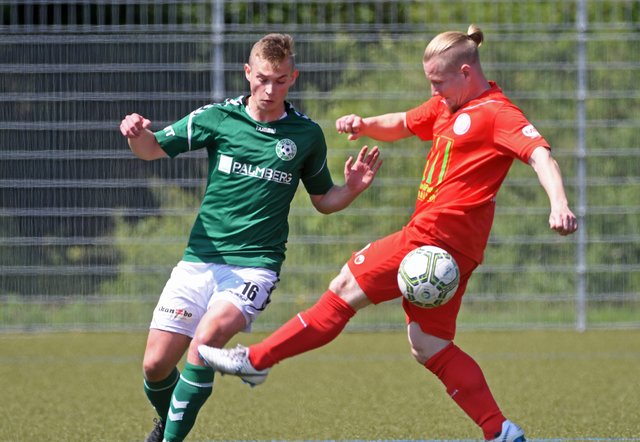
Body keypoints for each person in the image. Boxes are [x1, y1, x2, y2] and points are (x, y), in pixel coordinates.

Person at [198, 25, 578, 442]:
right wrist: (364, 125)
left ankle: (256, 359)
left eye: (438, 82)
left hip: (434, 237)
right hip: (455, 249)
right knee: (428, 343)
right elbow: (403, 122)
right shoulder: (448, 104)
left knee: (344, 288)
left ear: (466, 73)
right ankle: (499, 430)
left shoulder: (498, 112)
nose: (433, 91)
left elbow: (540, 155)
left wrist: (558, 204)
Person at [119, 33, 381, 442]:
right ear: (247, 73)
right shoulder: (218, 118)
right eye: (262, 79)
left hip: (253, 268)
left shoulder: (305, 135)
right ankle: (168, 421)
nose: (270, 89)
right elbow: (151, 150)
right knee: (155, 366)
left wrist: (351, 189)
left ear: (293, 77)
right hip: (199, 260)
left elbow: (323, 201)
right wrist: (136, 134)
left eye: (280, 80)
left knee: (204, 344)